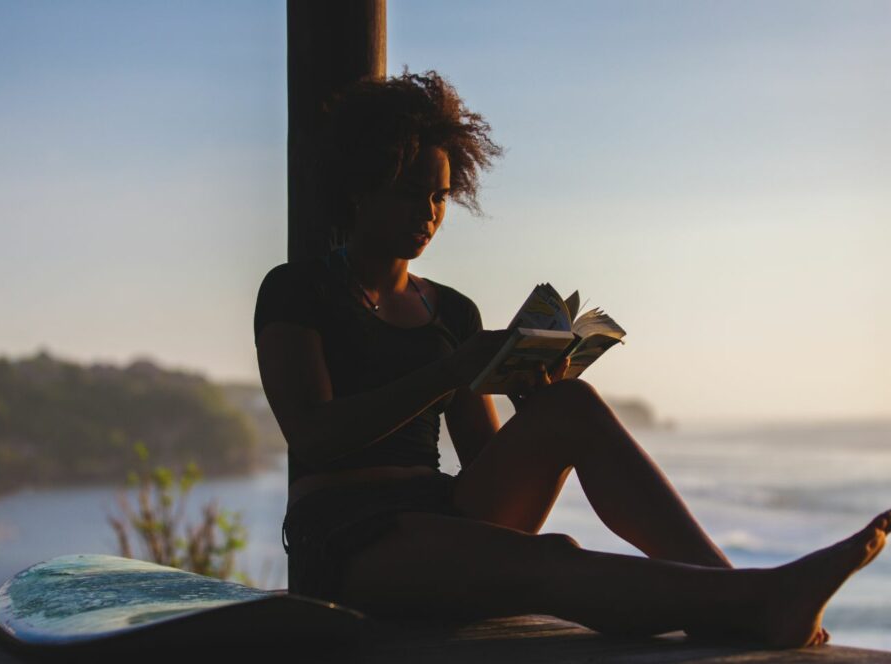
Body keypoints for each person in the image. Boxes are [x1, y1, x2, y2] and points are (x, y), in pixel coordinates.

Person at [253, 69, 887, 648]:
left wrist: (532, 396)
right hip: (348, 535)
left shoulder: (450, 310)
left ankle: (737, 590)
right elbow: (317, 436)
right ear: (362, 188)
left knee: (569, 405)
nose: (429, 213)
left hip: (441, 514)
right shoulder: (298, 290)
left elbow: (484, 461)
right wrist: (450, 370)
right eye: (410, 191)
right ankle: (755, 601)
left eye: (442, 196)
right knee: (553, 558)